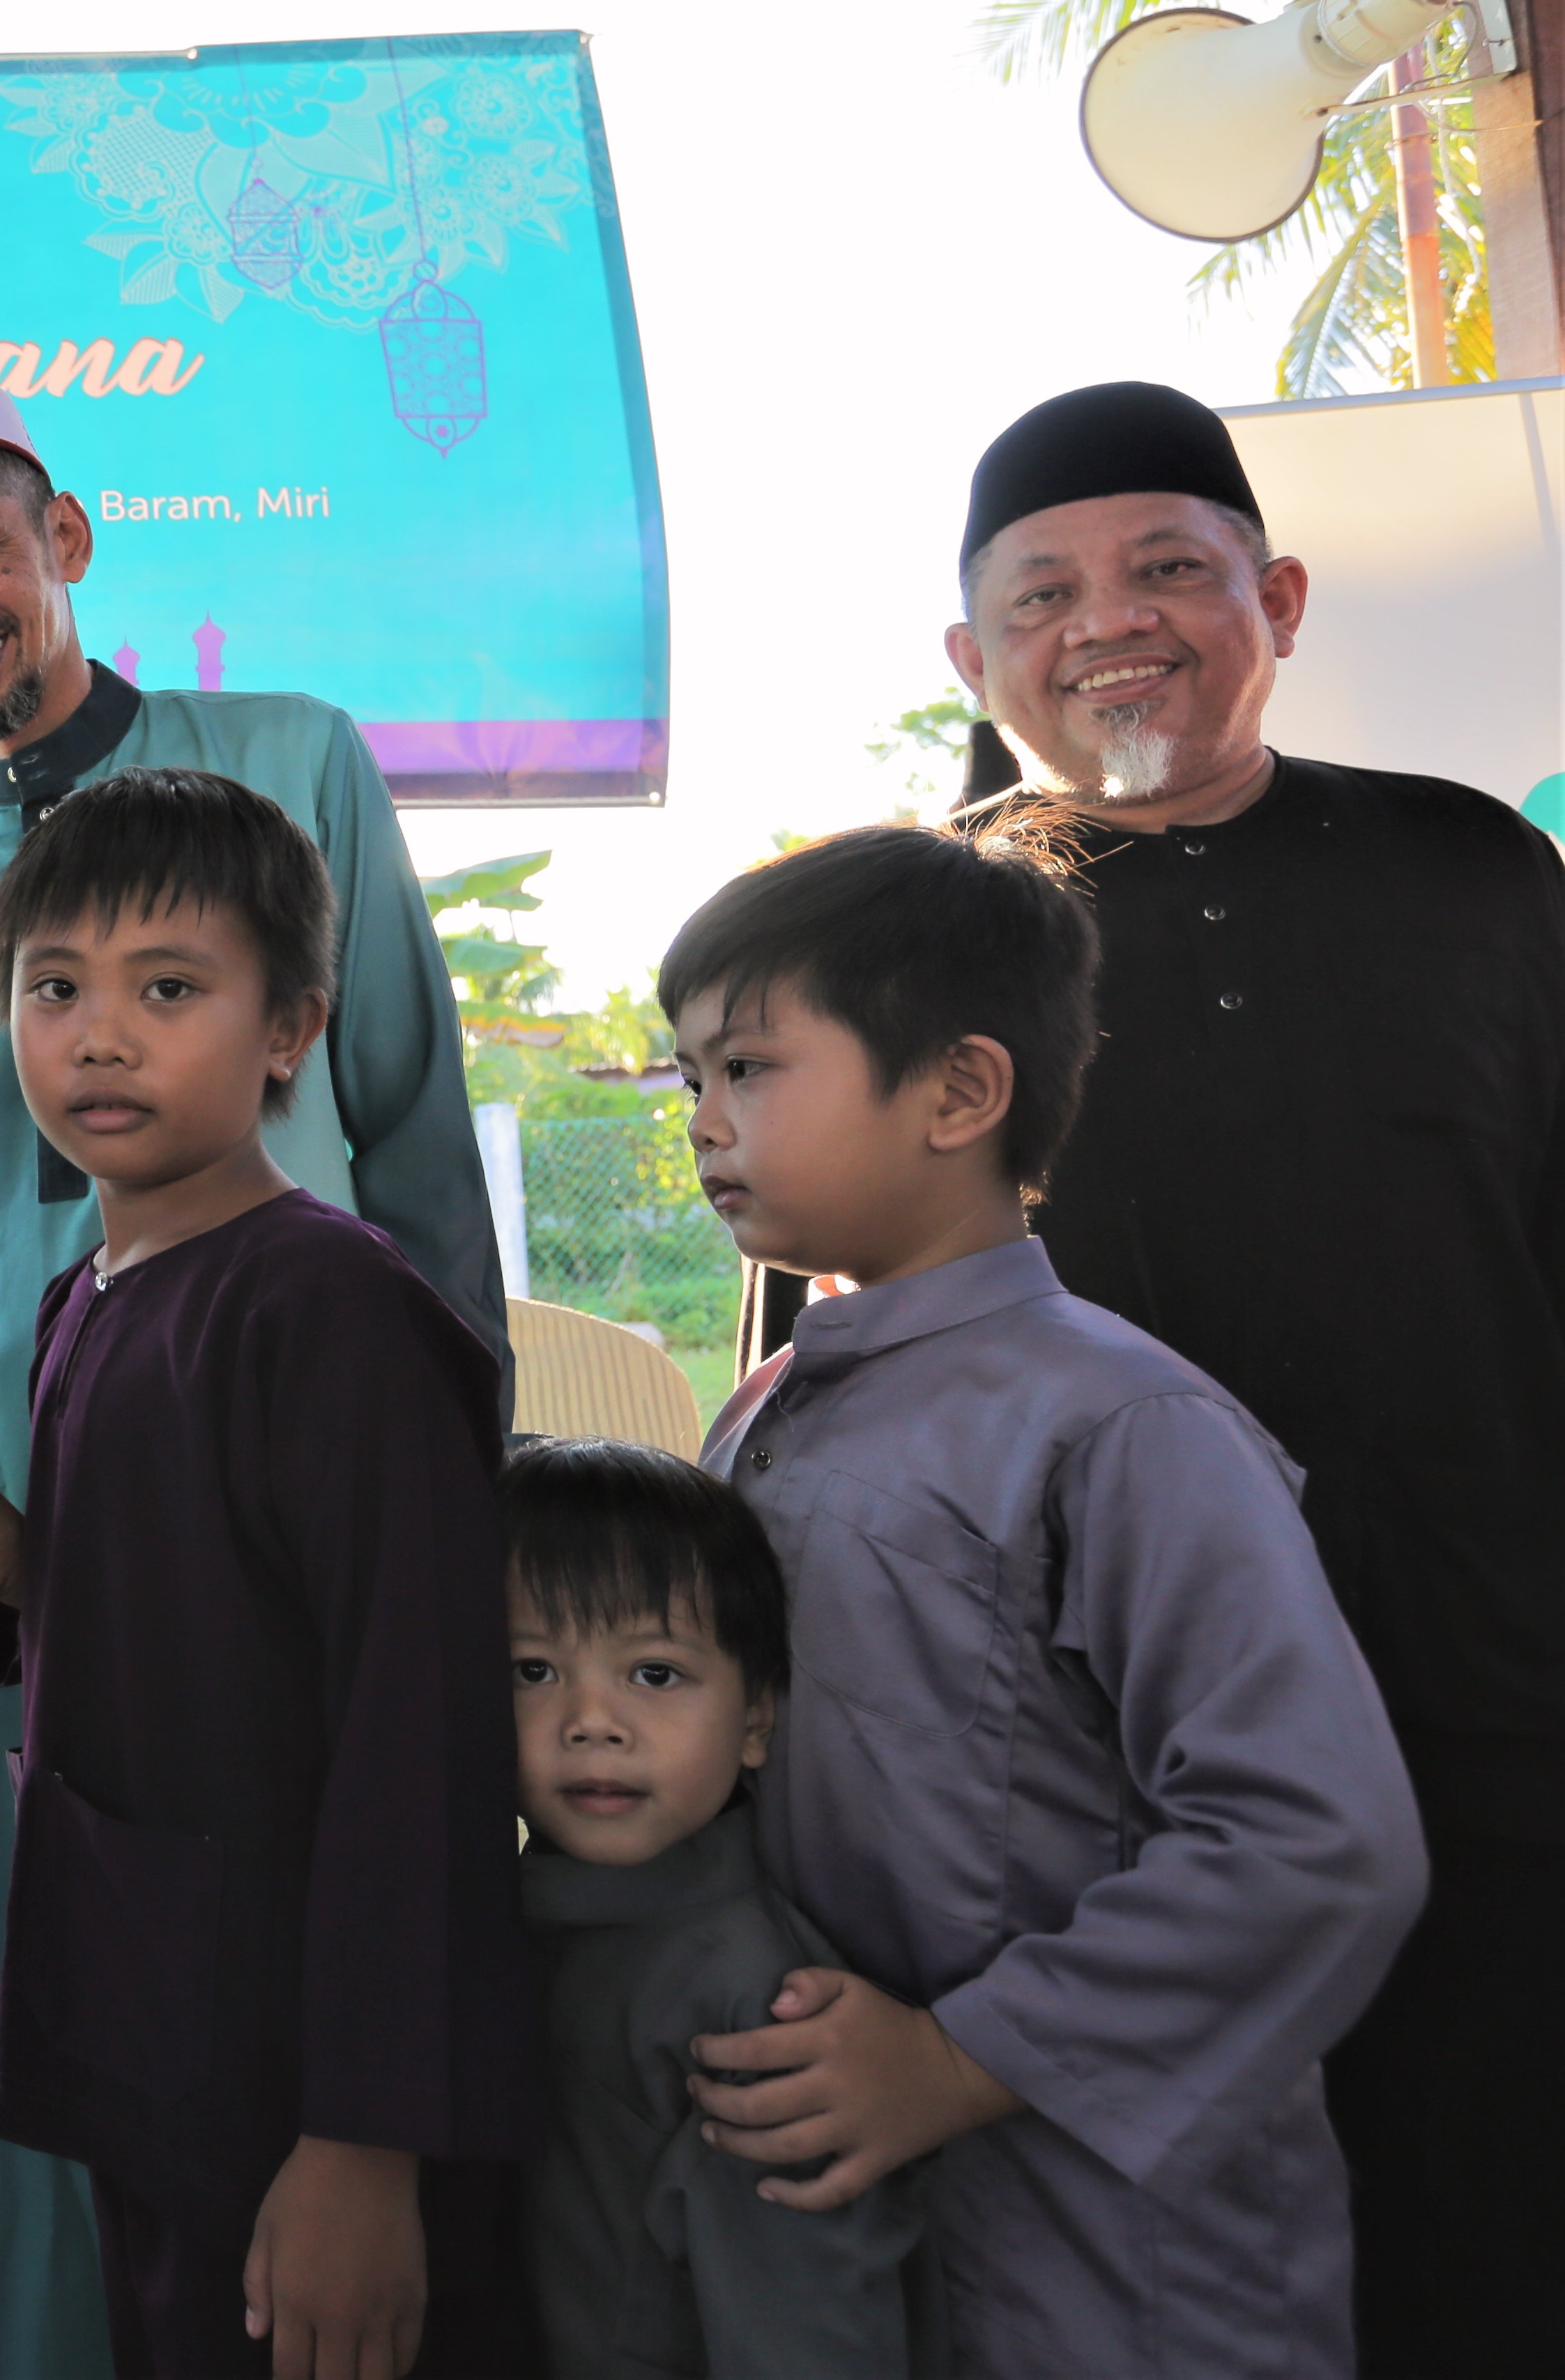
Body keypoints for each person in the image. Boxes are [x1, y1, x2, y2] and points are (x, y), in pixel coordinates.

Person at [0, 364, 505, 2376]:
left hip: (286, 1474)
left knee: (274, 1938)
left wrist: (466, 1500)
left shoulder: (290, 766)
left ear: (67, 541)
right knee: (30, 2006)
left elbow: (414, 1137)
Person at [939, 377, 1565, 2374]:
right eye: (1044, 594)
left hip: (1498, 1693)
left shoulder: (1476, 872)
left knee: (1501, 2221)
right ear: (971, 658)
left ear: (1276, 600)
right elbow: (847, 1342)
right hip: (1109, 1749)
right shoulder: (914, 935)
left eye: (1167, 570)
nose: (1107, 622)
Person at [661, 821, 1424, 2377]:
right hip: (867, 2250)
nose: (703, 1123)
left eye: (748, 1069)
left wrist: (956, 2061)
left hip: (1123, 2275)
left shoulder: (1125, 1427)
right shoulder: (763, 1407)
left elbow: (1317, 1841)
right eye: (689, 1080)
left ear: (959, 1092)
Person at [0, 768, 531, 2380]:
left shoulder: (329, 1312)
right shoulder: (89, 1296)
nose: (100, 1038)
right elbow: (214, 1622)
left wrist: (366, 2142)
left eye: (168, 990)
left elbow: (420, 1740)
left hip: (295, 2071)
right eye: (55, 989)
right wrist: (27, 1569)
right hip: (153, 2027)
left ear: (290, 1028)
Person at [496, 1435, 918, 2380]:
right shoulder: (522, 1922)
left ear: (757, 1718)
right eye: (533, 1670)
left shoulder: (754, 2010)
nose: (592, 1722)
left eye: (654, 1674)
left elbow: (812, 2340)